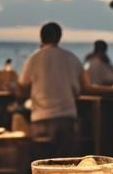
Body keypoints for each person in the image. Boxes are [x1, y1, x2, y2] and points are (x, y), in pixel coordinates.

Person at [18, 21, 83, 155]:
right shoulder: (71, 58)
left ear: (41, 37)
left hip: (40, 117)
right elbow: (81, 87)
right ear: (59, 37)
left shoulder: (33, 58)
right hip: (66, 117)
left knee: (42, 163)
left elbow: (22, 86)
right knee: (65, 163)